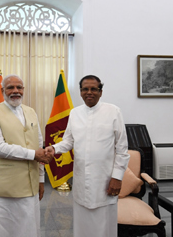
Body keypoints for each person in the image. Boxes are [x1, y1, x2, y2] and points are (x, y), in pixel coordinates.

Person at [45, 75, 130, 237]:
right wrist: (53, 149)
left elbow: (122, 148)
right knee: (82, 226)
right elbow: (68, 142)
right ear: (80, 92)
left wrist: (117, 177)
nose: (89, 92)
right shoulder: (75, 113)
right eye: (85, 89)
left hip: (105, 180)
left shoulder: (113, 111)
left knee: (104, 226)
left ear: (101, 92)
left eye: (93, 89)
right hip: (82, 180)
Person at [0, 74, 49, 237]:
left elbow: (39, 146)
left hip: (30, 185)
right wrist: (33, 154)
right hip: (5, 188)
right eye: (10, 87)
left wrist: (41, 179)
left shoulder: (31, 112)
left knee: (29, 230)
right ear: (2, 90)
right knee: (4, 231)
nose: (15, 91)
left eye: (19, 87)